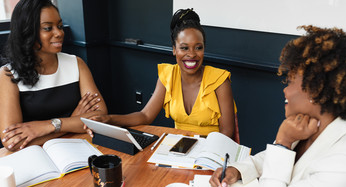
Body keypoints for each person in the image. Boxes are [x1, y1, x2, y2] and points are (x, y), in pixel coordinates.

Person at [210, 25, 346, 187]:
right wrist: (239, 169)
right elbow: (279, 162)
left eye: (290, 81)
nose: (285, 89)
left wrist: (283, 141)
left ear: (316, 90)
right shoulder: (316, 123)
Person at [85, 8, 236, 138]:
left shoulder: (219, 80)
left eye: (198, 47)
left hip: (211, 152)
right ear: (174, 49)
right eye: (184, 48)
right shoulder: (168, 75)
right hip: (180, 150)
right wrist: (108, 119)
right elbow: (145, 116)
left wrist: (199, 149)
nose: (192, 54)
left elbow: (227, 131)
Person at [0, 0, 107, 151]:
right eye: (48, 28)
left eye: (60, 26)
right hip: (34, 156)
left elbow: (100, 117)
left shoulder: (76, 64)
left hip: (77, 147)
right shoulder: (8, 75)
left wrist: (50, 126)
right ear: (27, 32)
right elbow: (12, 142)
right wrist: (72, 123)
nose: (59, 33)